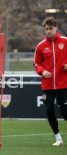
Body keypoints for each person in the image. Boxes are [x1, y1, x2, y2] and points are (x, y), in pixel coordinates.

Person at [33, 17, 67, 146]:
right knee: (49, 110)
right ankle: (58, 138)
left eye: (51, 28)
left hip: (64, 84)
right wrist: (42, 71)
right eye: (46, 29)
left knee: (65, 112)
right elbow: (36, 64)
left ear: (56, 27)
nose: (48, 31)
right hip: (47, 85)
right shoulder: (41, 46)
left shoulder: (65, 41)